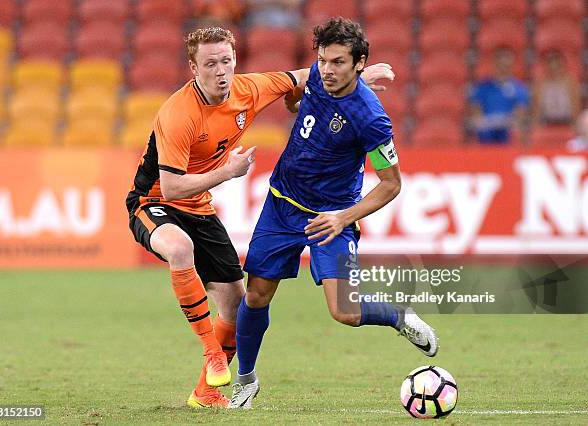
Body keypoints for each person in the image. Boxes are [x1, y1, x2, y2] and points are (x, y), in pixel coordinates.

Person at [125, 27, 395, 409]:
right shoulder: (177, 113)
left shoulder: (249, 89)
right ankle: (211, 354)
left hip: (199, 207)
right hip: (152, 202)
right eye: (210, 64)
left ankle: (205, 393)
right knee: (179, 247)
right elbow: (171, 189)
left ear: (235, 60)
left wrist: (359, 80)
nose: (220, 71)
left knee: (238, 305)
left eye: (226, 61)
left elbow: (304, 77)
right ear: (192, 67)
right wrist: (227, 173)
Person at [228, 18, 438, 409]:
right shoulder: (316, 76)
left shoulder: (371, 118)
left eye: (338, 62)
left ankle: (398, 317)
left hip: (330, 216)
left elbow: (391, 184)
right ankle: (246, 381)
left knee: (344, 310)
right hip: (282, 204)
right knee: (256, 295)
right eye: (323, 60)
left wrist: (343, 217)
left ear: (358, 63)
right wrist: (296, 99)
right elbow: (296, 98)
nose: (327, 69)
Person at [469, 47, 530, 144]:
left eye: (507, 66)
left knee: (514, 131)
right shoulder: (483, 87)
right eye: (501, 65)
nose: (503, 69)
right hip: (486, 131)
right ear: (495, 65)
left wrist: (507, 121)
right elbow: (476, 112)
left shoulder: (519, 88)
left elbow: (520, 114)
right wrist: (486, 122)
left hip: (508, 131)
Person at [533, 49, 580, 126]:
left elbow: (576, 107)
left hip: (567, 121)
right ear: (546, 66)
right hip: (546, 122)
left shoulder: (571, 82)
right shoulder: (540, 83)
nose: (554, 67)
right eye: (550, 63)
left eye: (557, 64)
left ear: (562, 65)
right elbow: (536, 109)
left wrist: (576, 126)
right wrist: (535, 126)